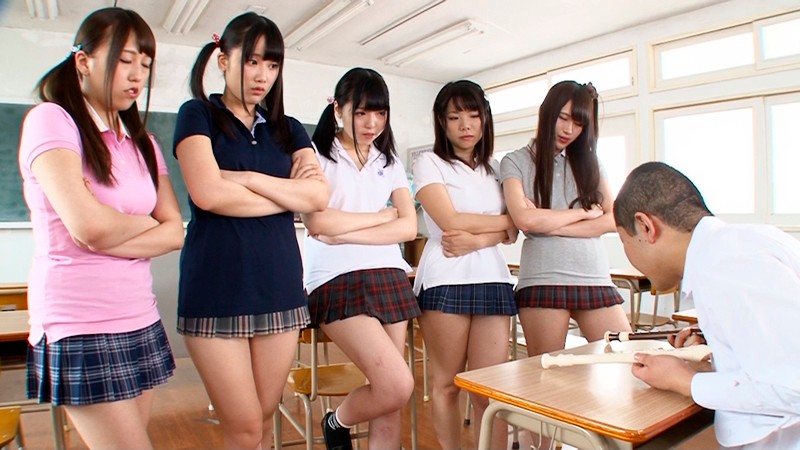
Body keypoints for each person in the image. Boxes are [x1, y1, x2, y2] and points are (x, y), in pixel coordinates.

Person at [18, 7, 183, 449]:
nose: (137, 74)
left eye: (145, 64)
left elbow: (175, 232)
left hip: (139, 314)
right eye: (124, 60)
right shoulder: (52, 120)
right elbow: (88, 226)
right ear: (83, 61)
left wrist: (111, 228)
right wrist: (144, 224)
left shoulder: (143, 142)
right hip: (79, 322)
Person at [173, 12, 328, 449]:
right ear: (224, 60)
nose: (262, 75)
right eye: (252, 61)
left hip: (279, 285)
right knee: (242, 427)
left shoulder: (288, 128)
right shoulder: (197, 114)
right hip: (216, 287)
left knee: (261, 418)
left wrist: (245, 178)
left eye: (272, 65)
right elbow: (208, 194)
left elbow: (317, 197)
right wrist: (286, 195)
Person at [614, 161, 800, 450]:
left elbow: (793, 387)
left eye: (624, 241)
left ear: (646, 226)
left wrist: (685, 381)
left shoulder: (726, 267)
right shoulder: (737, 245)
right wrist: (719, 346)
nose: (627, 253)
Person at [302, 67, 419, 450]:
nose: (372, 123)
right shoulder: (315, 155)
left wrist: (344, 232)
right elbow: (317, 222)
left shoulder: (389, 161)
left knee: (391, 401)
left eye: (380, 113)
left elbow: (408, 227)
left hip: (389, 274)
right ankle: (336, 422)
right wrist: (379, 218)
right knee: (396, 384)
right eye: (362, 112)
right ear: (338, 109)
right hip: (334, 276)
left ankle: (338, 422)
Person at [412, 80, 517, 450]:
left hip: (493, 278)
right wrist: (505, 222)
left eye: (473, 115)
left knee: (491, 389)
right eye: (455, 117)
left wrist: (478, 239)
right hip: (446, 278)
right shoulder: (428, 162)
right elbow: (449, 220)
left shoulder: (497, 167)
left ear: (485, 119)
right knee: (447, 384)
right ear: (442, 122)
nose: (465, 125)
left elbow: (515, 229)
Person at [499, 80, 631, 358]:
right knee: (548, 372)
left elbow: (614, 219)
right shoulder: (515, 161)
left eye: (579, 123)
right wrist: (582, 213)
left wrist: (549, 224)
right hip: (542, 277)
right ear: (546, 112)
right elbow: (525, 220)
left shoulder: (592, 163)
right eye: (563, 118)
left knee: (626, 357)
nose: (569, 130)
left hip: (594, 276)